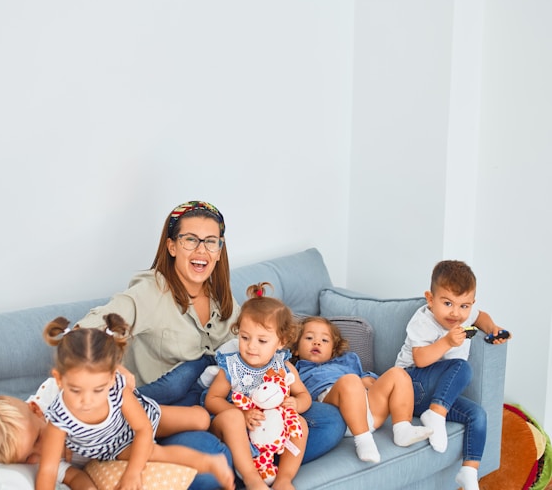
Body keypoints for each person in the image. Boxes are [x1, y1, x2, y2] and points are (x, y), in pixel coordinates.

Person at [75, 200, 346, 489]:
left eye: (210, 242)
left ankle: (253, 458)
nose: (201, 250)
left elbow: (259, 339)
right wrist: (115, 370)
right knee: (212, 459)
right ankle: (246, 458)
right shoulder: (149, 292)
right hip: (172, 413)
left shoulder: (221, 293)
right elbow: (82, 334)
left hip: (229, 400)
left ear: (219, 250)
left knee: (329, 421)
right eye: (190, 239)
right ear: (172, 246)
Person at [36, 313, 234, 490]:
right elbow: (48, 470)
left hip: (142, 420)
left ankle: (202, 404)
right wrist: (134, 468)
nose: (87, 401)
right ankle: (209, 462)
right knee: (155, 453)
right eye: (75, 390)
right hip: (118, 448)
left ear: (112, 378)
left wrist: (133, 473)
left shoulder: (117, 390)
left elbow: (143, 429)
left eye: (98, 390)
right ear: (60, 380)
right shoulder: (58, 420)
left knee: (200, 419)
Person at [395, 260, 511, 490]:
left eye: (464, 306)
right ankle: (436, 415)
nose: (456, 313)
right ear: (430, 299)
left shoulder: (467, 315)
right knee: (462, 366)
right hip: (410, 386)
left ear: (471, 304)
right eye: (447, 303)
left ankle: (469, 470)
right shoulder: (423, 321)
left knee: (478, 414)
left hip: (437, 395)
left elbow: (481, 317)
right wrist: (447, 342)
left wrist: (493, 328)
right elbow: (420, 359)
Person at [204, 282, 311, 490]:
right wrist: (242, 415)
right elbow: (212, 400)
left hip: (269, 429)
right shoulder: (232, 366)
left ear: (281, 342)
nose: (251, 346)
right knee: (233, 418)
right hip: (234, 428)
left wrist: (296, 403)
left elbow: (304, 395)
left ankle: (284, 479)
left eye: (262, 341)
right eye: (244, 337)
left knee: (300, 424)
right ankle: (252, 479)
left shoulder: (284, 367)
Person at [293, 316, 432, 463]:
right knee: (350, 380)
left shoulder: (347, 361)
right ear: (295, 349)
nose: (316, 342)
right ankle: (364, 441)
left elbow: (365, 377)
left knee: (398, 373)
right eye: (309, 338)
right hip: (337, 413)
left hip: (369, 411)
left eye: (325, 340)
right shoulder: (295, 370)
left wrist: (368, 379)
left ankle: (403, 429)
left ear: (333, 350)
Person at [0, 379, 96, 490]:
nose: (42, 451)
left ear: (36, 410)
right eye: (29, 457)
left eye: (37, 439)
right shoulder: (40, 464)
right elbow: (75, 477)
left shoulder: (54, 395)